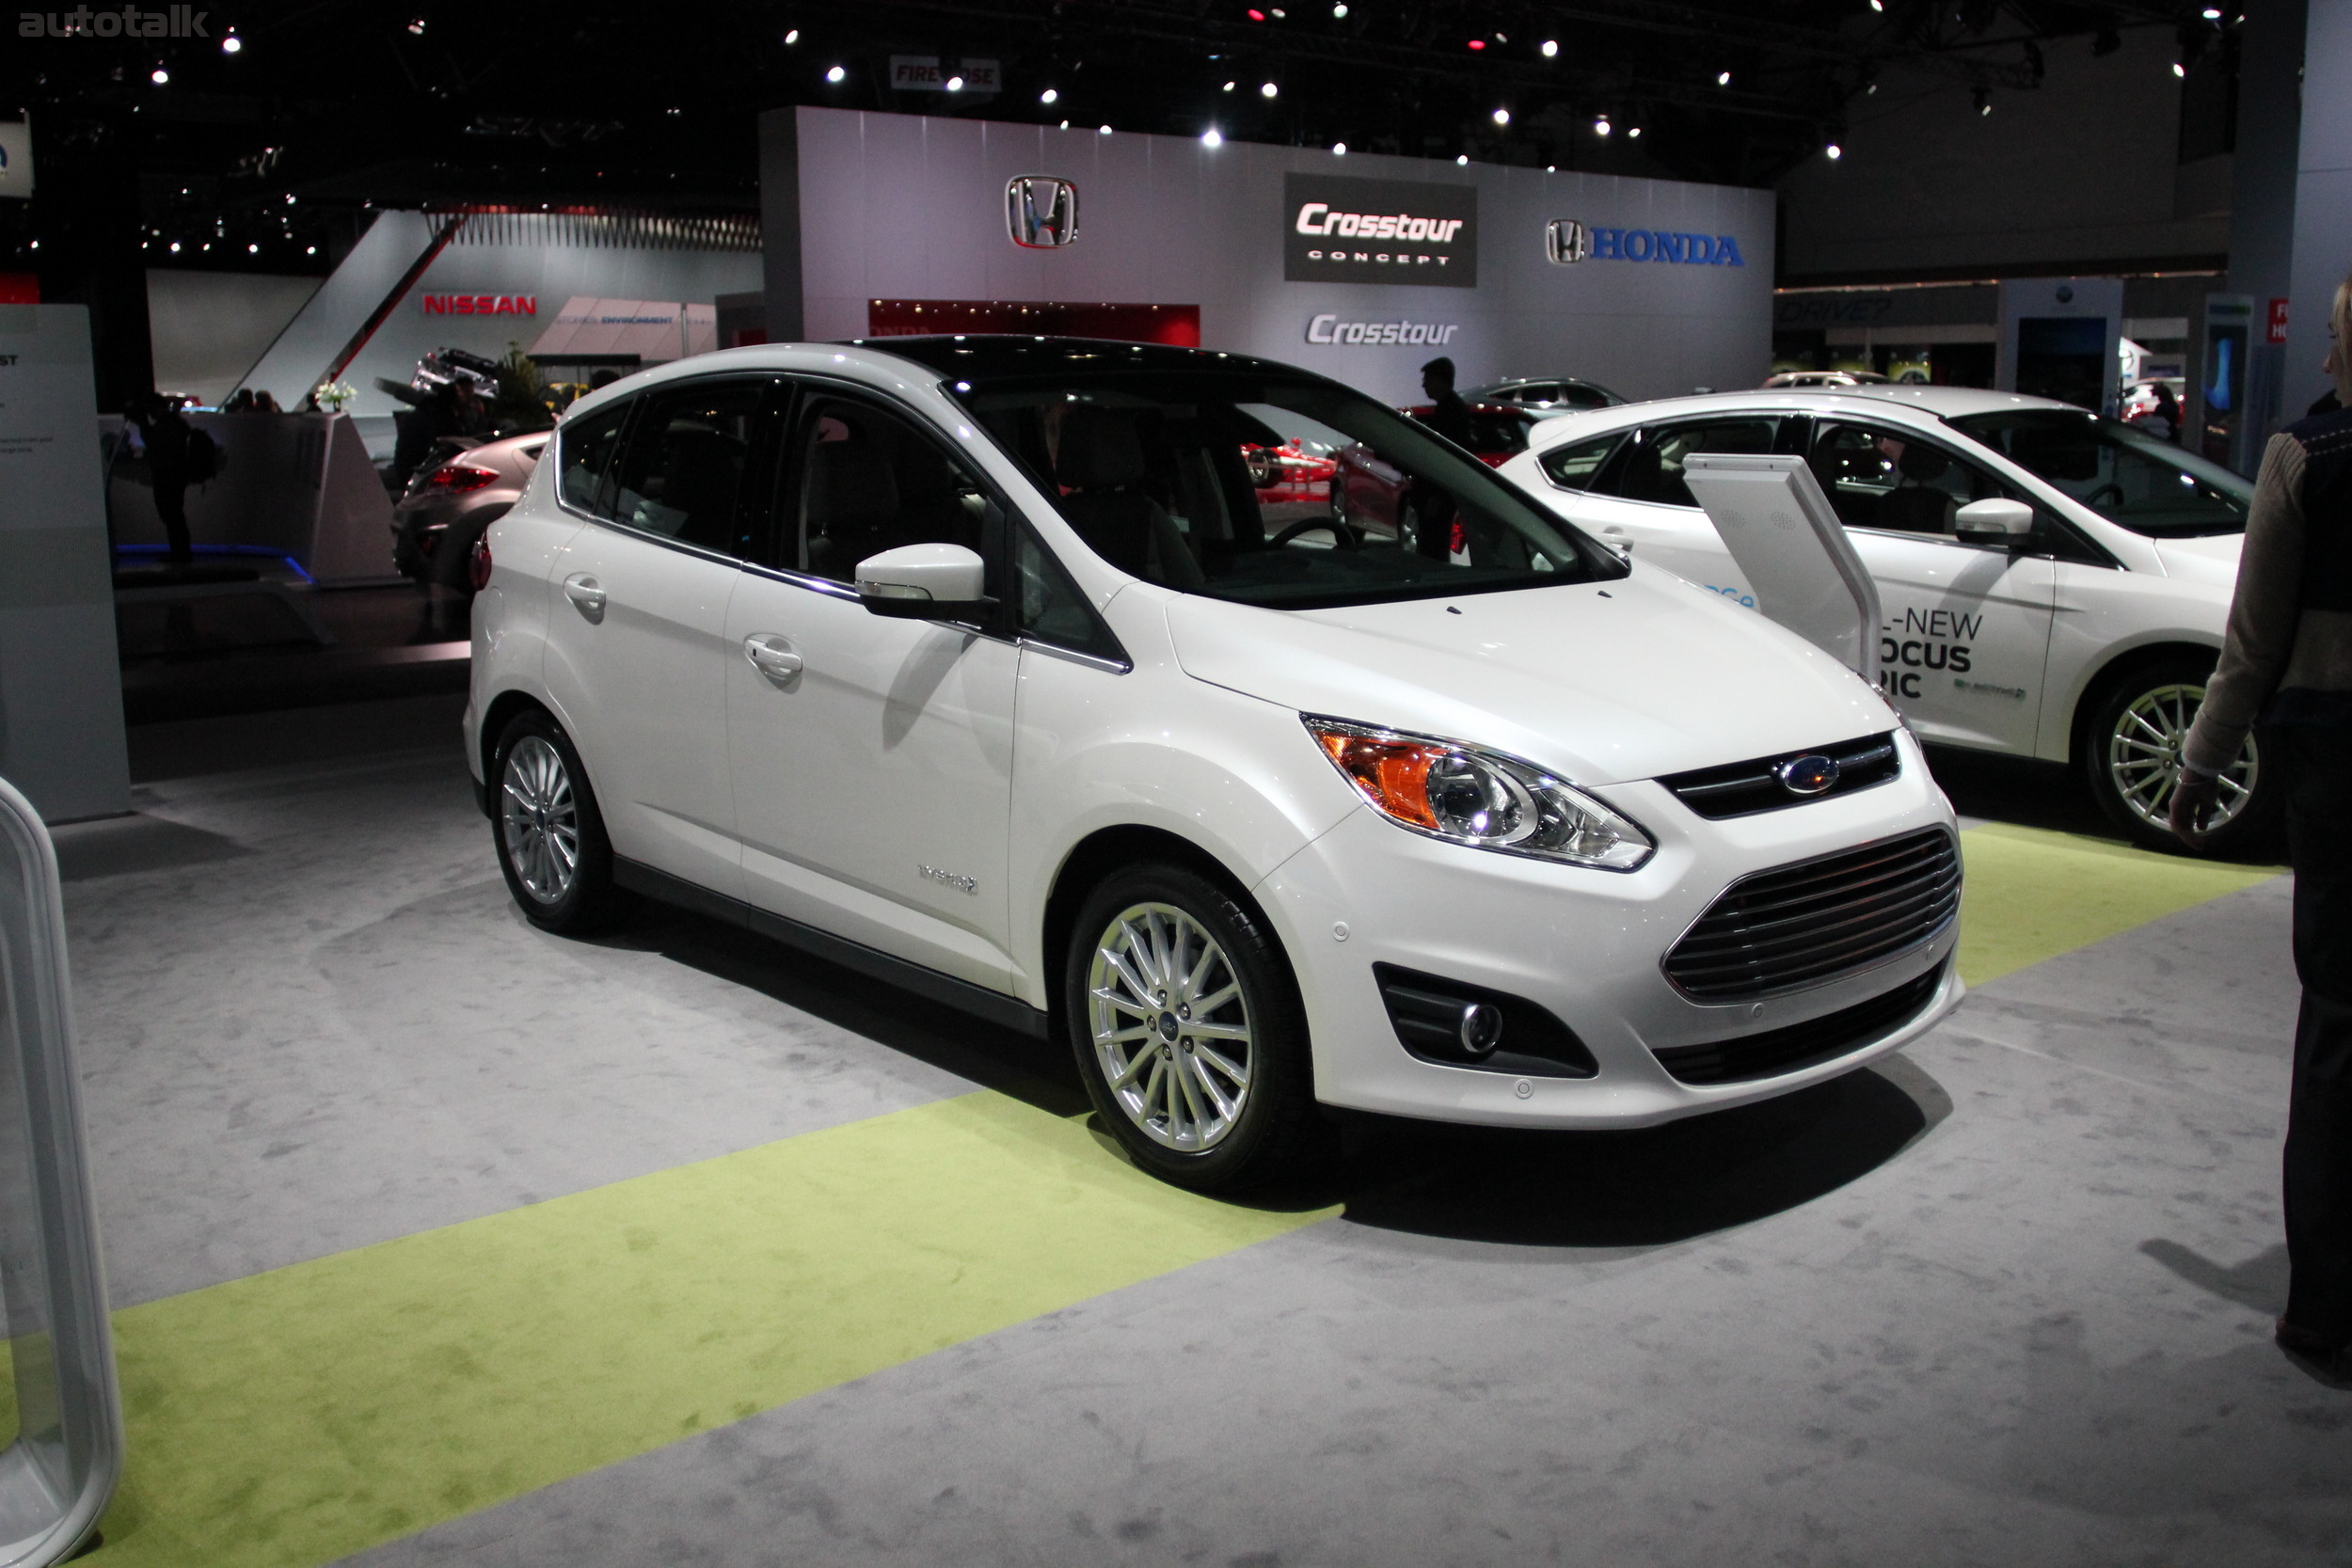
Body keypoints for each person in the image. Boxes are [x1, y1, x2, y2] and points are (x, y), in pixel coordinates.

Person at [2171, 269, 2352, 1386]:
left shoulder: (2306, 457)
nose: (2327, 359)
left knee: (2337, 1022)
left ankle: (2321, 1306)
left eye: (2337, 339)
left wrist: (2199, 762)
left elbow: (2252, 641)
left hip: (2333, 756)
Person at [125, 391, 196, 566]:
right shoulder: (173, 422)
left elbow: (154, 442)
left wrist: (142, 424)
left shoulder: (167, 424)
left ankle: (181, 554)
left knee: (171, 515)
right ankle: (180, 553)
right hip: (173, 474)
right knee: (173, 515)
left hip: (168, 474)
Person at [1418, 356, 1473, 449]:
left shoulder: (1449, 410)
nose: (1424, 385)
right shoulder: (1452, 406)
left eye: (1427, 380)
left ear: (1439, 380)